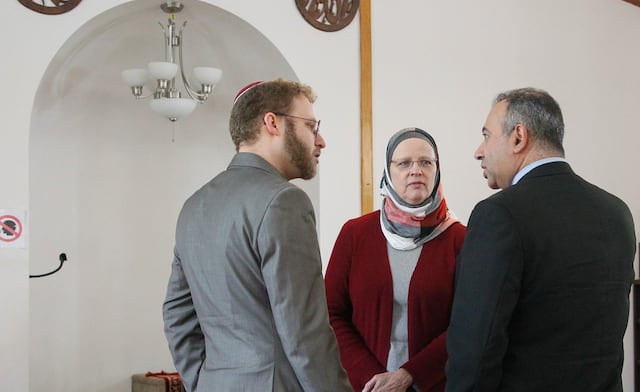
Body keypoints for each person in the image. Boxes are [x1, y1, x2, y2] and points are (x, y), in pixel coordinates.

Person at [162, 79, 352, 392]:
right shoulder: (284, 201)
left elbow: (176, 315)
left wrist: (202, 381)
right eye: (310, 126)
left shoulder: (195, 205)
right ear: (272, 123)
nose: (320, 141)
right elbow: (305, 332)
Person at [445, 87, 636, 392]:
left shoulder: (498, 215)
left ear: (518, 137)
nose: (478, 151)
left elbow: (475, 348)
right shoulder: (616, 213)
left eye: (486, 135)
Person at [324, 128, 466, 392]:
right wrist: (372, 378)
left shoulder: (460, 240)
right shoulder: (355, 234)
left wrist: (410, 375)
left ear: (437, 170)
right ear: (389, 172)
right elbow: (331, 312)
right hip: (365, 386)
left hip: (436, 384)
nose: (416, 170)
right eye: (404, 163)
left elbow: (467, 322)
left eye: (426, 162)